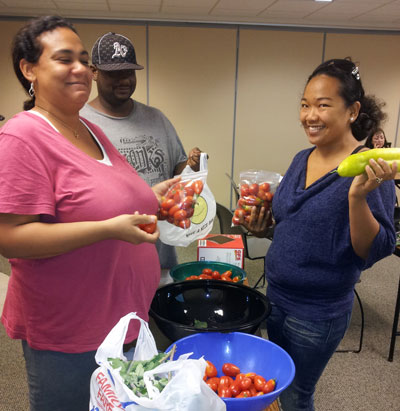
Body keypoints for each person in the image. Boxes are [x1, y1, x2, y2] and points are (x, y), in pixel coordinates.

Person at [0, 16, 179, 411]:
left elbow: (104, 199)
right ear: (29, 69)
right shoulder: (23, 136)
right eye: (64, 59)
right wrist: (107, 230)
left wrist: (153, 199)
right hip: (72, 330)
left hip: (124, 320)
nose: (80, 67)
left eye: (83, 58)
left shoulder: (88, 130)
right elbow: (9, 237)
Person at [239, 58, 397, 411]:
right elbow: (296, 222)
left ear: (353, 111)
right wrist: (265, 228)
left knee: (296, 395)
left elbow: (373, 251)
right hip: (275, 296)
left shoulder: (369, 167)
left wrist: (357, 197)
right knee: (272, 387)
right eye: (305, 104)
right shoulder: (300, 159)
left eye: (323, 105)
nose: (310, 115)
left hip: (315, 314)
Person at [80, 32, 202, 282]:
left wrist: (190, 168)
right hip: (105, 266)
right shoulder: (79, 123)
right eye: (114, 73)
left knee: (157, 320)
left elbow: (175, 173)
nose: (124, 79)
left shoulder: (156, 119)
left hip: (160, 260)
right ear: (94, 72)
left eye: (129, 71)